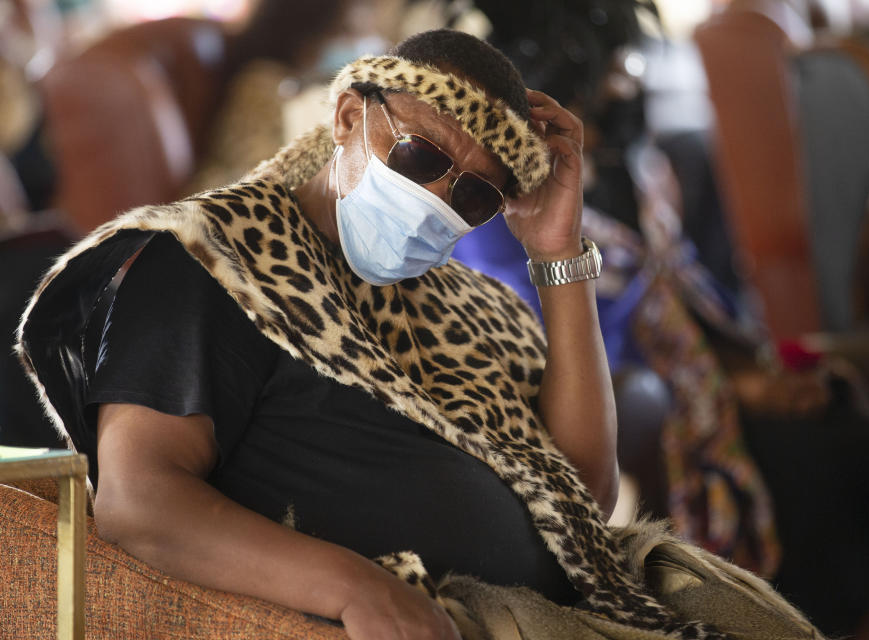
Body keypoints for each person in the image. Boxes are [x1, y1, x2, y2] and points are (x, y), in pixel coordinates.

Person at [17, 29, 823, 640]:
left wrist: (557, 256)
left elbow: (582, 496)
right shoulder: (212, 260)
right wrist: (354, 586)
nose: (440, 199)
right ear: (346, 117)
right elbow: (138, 502)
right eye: (419, 156)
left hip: (584, 605)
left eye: (475, 195)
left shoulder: (462, 302)